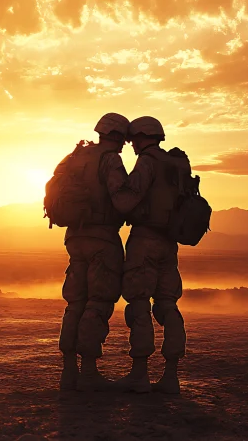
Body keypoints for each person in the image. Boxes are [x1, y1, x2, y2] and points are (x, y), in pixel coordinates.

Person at [58, 113, 139, 392]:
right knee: (98, 303)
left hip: (74, 237)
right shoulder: (110, 159)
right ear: (117, 136)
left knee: (74, 304)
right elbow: (123, 200)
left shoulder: (76, 156)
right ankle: (89, 371)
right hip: (101, 238)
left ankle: (68, 372)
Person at [116, 116, 189, 394]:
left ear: (141, 137)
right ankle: (171, 376)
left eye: (134, 138)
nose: (132, 144)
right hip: (169, 243)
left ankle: (139, 375)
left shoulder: (147, 162)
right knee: (168, 306)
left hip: (145, 239)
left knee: (139, 305)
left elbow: (128, 197)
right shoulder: (175, 163)